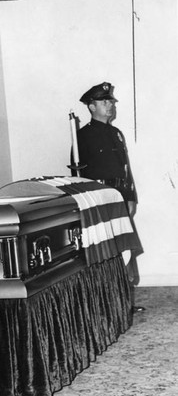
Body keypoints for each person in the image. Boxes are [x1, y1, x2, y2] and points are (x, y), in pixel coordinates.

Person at [72, 82, 144, 311]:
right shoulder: (82, 136)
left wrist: (130, 196)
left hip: (120, 197)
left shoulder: (116, 134)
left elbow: (125, 168)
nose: (110, 105)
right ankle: (107, 306)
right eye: (104, 101)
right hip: (99, 199)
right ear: (91, 107)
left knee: (124, 249)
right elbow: (77, 174)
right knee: (106, 252)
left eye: (111, 101)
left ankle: (125, 302)